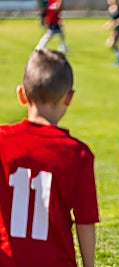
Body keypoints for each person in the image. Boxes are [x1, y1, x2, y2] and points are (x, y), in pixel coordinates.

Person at [0, 49, 99, 267]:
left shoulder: (2, 140)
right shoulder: (78, 154)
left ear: (21, 94)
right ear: (69, 98)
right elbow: (85, 222)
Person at [103, 0, 119, 66]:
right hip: (114, 29)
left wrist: (112, 24)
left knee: (112, 44)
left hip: (118, 29)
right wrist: (107, 24)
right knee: (112, 44)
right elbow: (112, 19)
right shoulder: (110, 8)